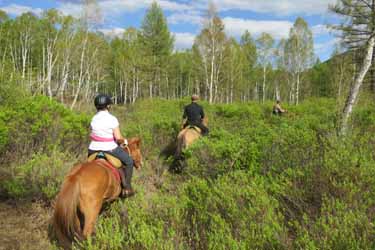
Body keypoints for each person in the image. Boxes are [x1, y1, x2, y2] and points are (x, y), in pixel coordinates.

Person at [88, 94, 135, 197]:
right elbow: (118, 138)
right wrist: (125, 142)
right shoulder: (112, 119)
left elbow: (91, 134)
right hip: (109, 148)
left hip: (93, 149)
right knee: (129, 161)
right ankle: (127, 188)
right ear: (108, 106)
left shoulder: (93, 119)